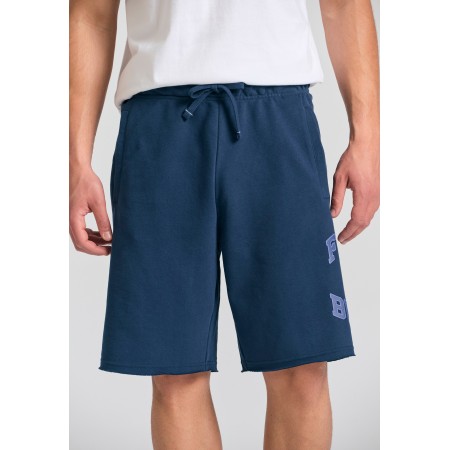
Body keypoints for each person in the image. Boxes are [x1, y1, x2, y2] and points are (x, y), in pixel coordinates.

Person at [69, 0, 379, 448]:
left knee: (303, 365)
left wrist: (367, 141)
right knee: (174, 370)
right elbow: (91, 15)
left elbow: (344, 5)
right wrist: (76, 161)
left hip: (279, 118)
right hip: (160, 123)